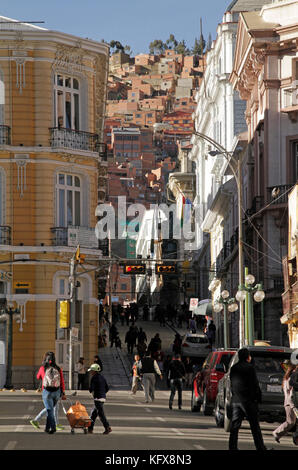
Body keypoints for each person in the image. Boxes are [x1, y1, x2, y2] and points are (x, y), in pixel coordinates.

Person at [228, 348, 267, 451]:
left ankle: (232, 447)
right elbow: (254, 385)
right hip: (248, 401)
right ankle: (260, 447)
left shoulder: (234, 368)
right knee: (254, 426)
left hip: (236, 400)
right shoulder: (250, 368)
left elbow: (232, 384)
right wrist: (258, 398)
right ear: (247, 357)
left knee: (235, 426)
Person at [35, 351, 66, 434]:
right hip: (57, 392)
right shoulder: (58, 368)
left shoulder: (43, 368)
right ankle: (47, 428)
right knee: (51, 410)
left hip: (47, 392)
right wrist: (63, 392)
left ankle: (53, 428)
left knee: (50, 410)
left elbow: (38, 377)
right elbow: (62, 381)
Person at [273, 362, 297, 443]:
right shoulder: (290, 379)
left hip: (289, 402)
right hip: (290, 403)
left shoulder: (286, 378)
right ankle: (277, 433)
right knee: (290, 422)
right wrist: (293, 406)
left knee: (291, 422)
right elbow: (290, 393)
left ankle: (277, 434)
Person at [88, 363, 112, 435]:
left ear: (94, 371)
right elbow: (107, 388)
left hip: (97, 398)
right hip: (103, 397)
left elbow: (91, 388)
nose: (91, 372)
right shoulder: (102, 377)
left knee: (101, 415)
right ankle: (90, 428)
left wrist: (92, 390)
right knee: (93, 414)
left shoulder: (94, 378)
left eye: (91, 371)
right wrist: (102, 393)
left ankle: (107, 427)